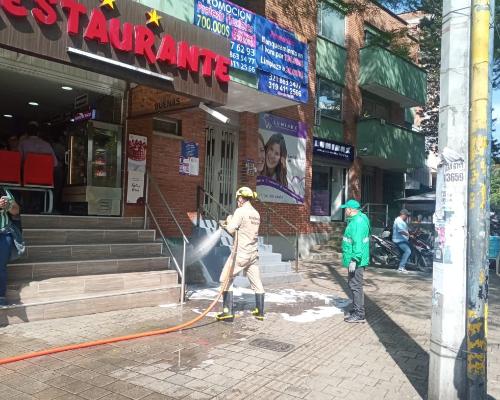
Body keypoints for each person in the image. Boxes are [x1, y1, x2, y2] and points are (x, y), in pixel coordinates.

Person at [217, 186, 264, 322]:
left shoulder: (240, 211)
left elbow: (231, 230)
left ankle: (227, 312)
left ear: (242, 198)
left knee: (225, 278)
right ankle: (260, 312)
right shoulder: (256, 213)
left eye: (238, 199)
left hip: (241, 254)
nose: (237, 201)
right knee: (256, 282)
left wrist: (227, 221)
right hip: (253, 254)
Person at [341, 199, 370, 323]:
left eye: (346, 208)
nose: (345, 211)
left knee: (355, 286)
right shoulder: (361, 218)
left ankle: (359, 314)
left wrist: (354, 259)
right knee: (354, 285)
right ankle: (356, 308)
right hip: (358, 259)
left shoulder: (356, 223)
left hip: (356, 260)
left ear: (351, 210)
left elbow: (357, 243)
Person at [0, 187, 20, 307]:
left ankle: (1, 297)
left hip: (4, 233)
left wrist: (8, 206)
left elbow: (16, 210)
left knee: (1, 267)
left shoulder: (4, 191)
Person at [392, 209, 412, 273]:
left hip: (403, 239)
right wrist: (408, 234)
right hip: (399, 240)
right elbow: (401, 231)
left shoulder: (402, 221)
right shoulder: (398, 221)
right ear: (403, 214)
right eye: (406, 215)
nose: (407, 217)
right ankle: (401, 267)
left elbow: (405, 229)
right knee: (408, 251)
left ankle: (404, 264)